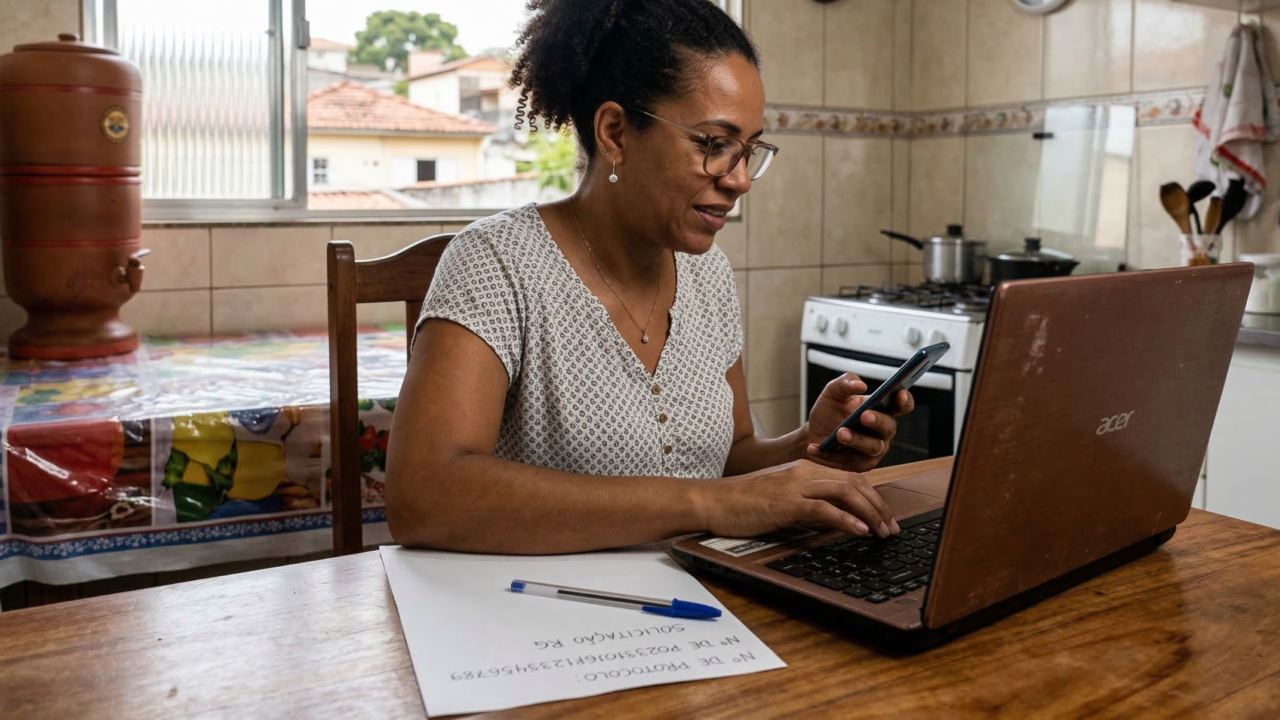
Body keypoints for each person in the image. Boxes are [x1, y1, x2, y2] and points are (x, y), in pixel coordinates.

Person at [385, 0, 915, 554]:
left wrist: (809, 448)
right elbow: (424, 496)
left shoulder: (708, 274)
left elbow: (729, 457)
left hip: (704, 605)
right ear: (615, 132)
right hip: (542, 617)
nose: (740, 180)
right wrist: (709, 504)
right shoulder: (497, 264)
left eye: (749, 150)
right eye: (713, 144)